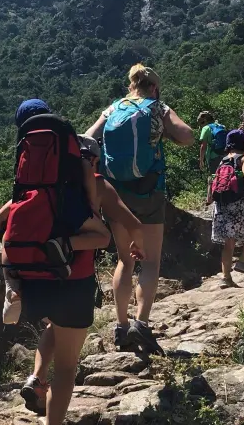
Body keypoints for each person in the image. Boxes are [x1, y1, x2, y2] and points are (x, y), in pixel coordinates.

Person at [0, 135, 143, 422]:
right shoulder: (99, 184)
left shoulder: (41, 188)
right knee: (66, 367)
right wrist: (137, 245)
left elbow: (0, 219)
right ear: (94, 161)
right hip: (75, 282)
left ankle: (37, 378)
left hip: (38, 278)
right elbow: (132, 223)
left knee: (54, 327)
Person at [85, 64, 194, 355]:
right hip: (149, 190)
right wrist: (165, 134)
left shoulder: (113, 108)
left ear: (131, 85)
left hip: (116, 194)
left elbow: (86, 139)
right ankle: (141, 325)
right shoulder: (157, 107)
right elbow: (187, 135)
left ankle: (121, 328)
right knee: (151, 261)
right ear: (154, 87)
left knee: (124, 259)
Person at [0, 99, 103, 325]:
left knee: (8, 235)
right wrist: (92, 208)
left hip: (28, 205)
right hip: (67, 205)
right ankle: (65, 245)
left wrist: (1, 218)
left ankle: (12, 287)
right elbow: (85, 172)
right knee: (103, 236)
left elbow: (20, 193)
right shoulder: (64, 139)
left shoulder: (26, 146)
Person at [206, 129, 244, 285]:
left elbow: (213, 180)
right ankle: (242, 262)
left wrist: (209, 198)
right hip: (238, 203)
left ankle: (226, 278)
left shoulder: (223, 160)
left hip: (221, 204)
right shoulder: (243, 159)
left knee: (228, 242)